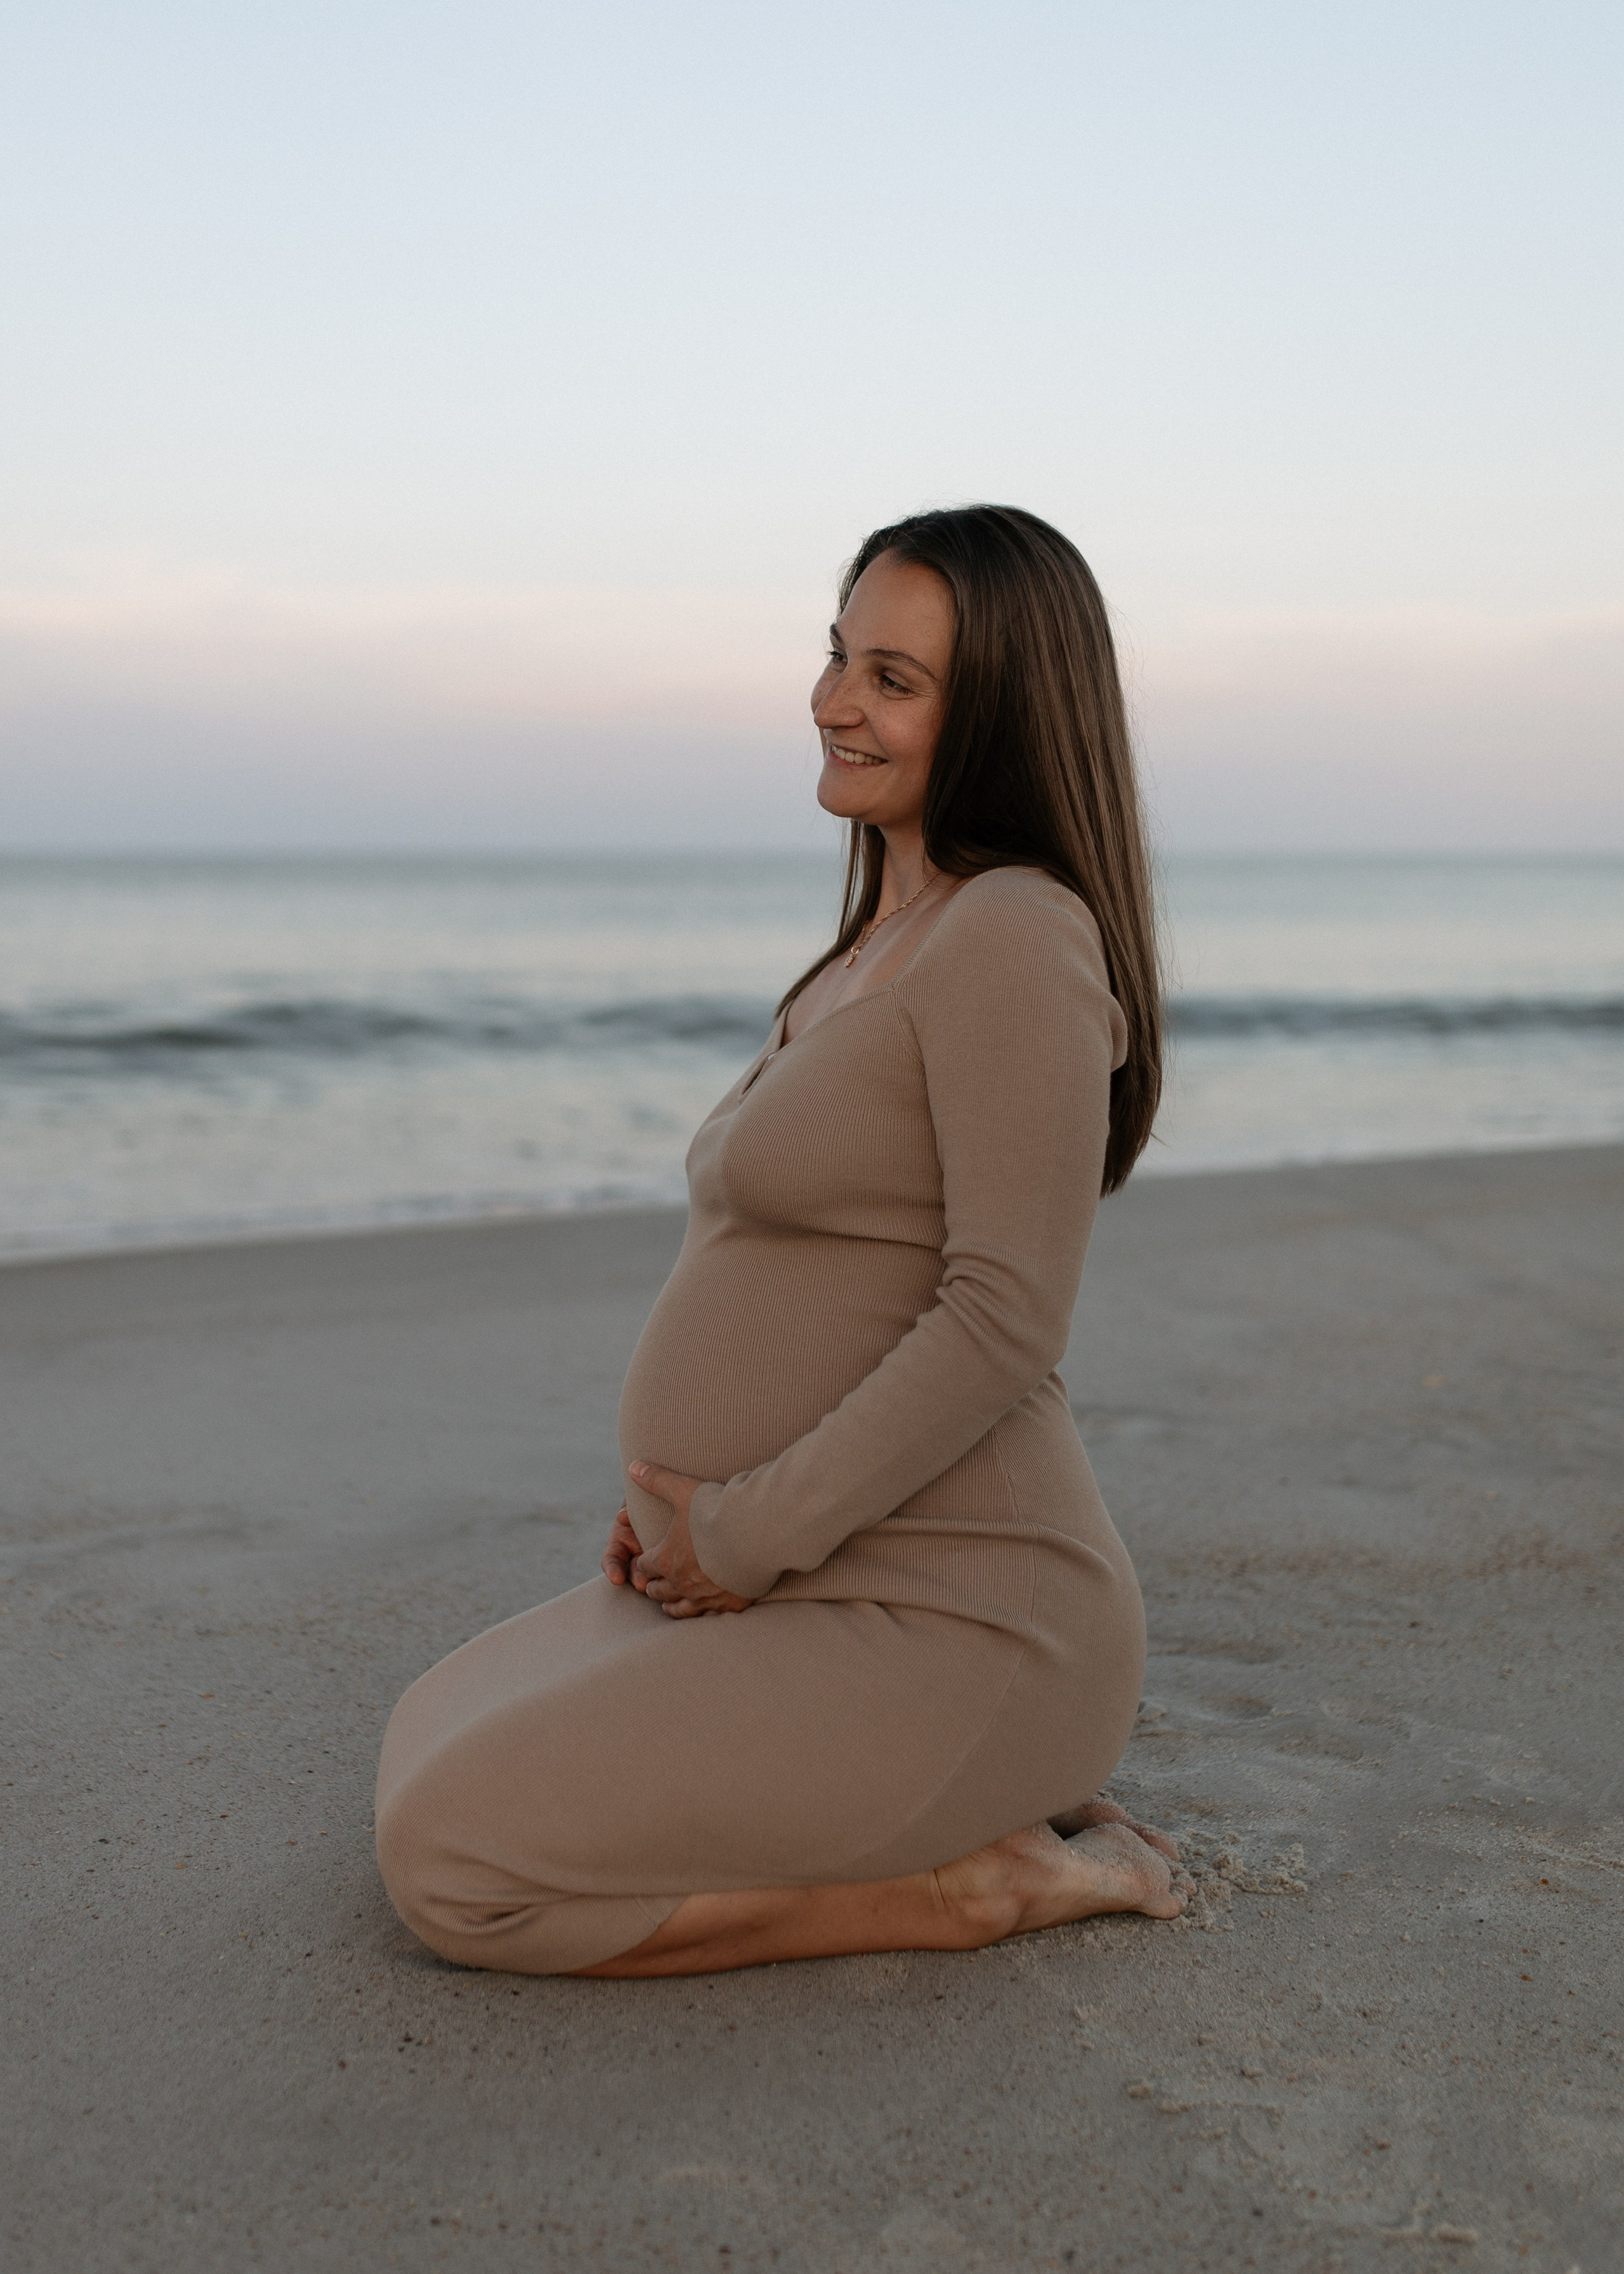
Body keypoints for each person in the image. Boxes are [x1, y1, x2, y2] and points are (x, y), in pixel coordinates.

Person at [376, 504, 1193, 1977]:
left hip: (963, 1607)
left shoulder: (1014, 932)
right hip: (807, 1564)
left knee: (456, 1863)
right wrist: (699, 1512)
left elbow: (1005, 1317)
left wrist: (745, 1532)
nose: (832, 700)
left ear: (997, 711)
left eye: (893, 677)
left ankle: (968, 1884)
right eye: (836, 655)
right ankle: (899, 1789)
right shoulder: (879, 937)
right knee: (423, 1737)